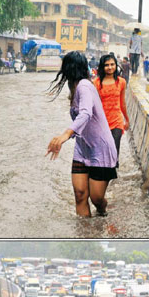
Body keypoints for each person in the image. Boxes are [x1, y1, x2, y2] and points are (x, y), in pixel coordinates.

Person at [46, 51, 118, 218]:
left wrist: (64, 135)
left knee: (97, 198)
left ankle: (102, 211)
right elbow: (81, 121)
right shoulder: (75, 88)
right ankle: (84, 236)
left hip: (101, 149)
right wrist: (69, 137)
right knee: (79, 194)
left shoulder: (85, 86)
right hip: (83, 148)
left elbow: (85, 113)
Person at [93, 54, 129, 164]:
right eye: (107, 65)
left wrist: (126, 119)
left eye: (112, 64)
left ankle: (112, 173)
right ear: (102, 67)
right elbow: (94, 105)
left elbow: (122, 103)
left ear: (116, 65)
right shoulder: (96, 83)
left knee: (114, 150)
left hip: (117, 121)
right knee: (102, 152)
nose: (110, 67)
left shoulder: (121, 82)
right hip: (101, 122)